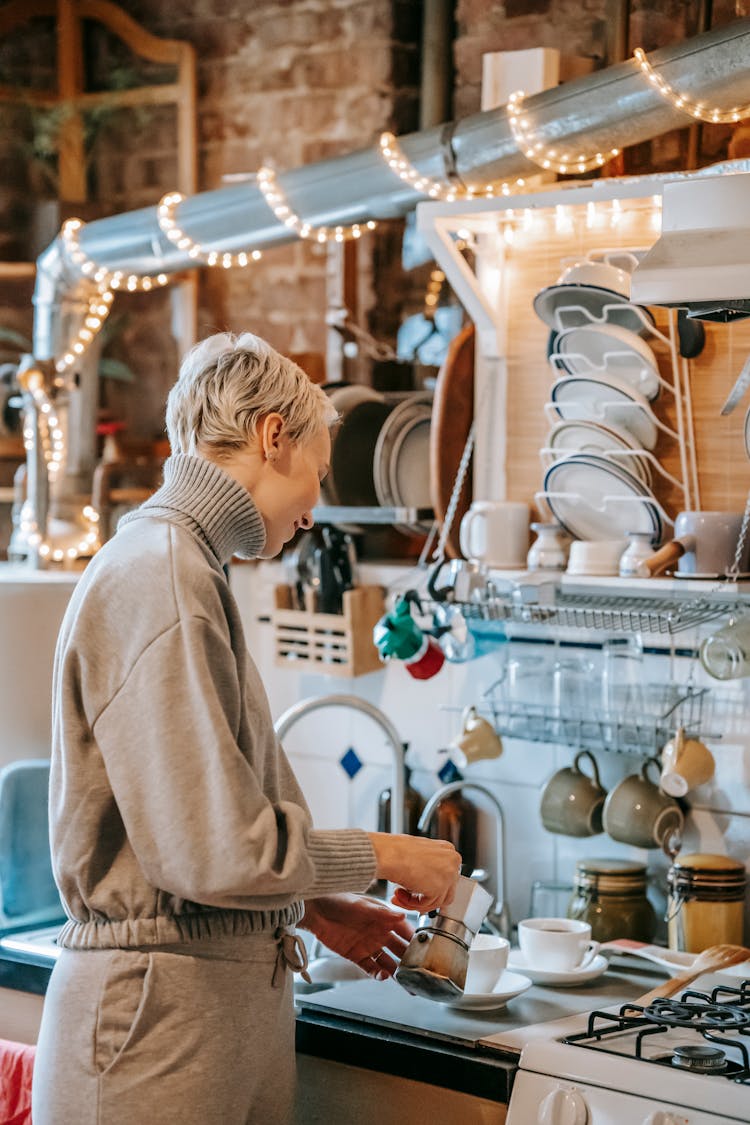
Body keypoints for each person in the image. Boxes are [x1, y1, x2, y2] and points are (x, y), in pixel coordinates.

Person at [32, 332, 461, 1125]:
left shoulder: (185, 566)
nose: (314, 508)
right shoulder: (163, 574)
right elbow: (213, 849)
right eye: (318, 475)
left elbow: (190, 836)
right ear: (273, 436)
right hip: (156, 1028)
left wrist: (311, 908)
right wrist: (387, 853)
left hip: (196, 1018)